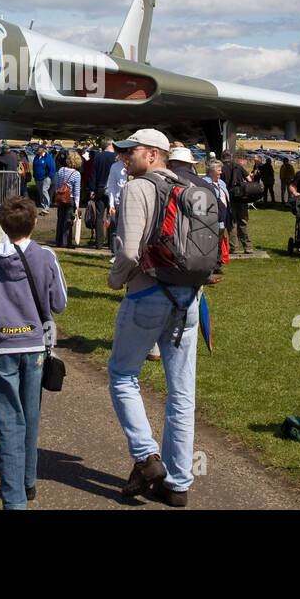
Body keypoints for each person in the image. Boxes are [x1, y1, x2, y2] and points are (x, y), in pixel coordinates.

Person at [106, 128, 200, 507]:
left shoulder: (138, 188)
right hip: (189, 299)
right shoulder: (192, 190)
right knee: (181, 394)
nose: (124, 157)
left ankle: (147, 457)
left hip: (147, 292)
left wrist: (115, 281)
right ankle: (178, 484)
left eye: (132, 151)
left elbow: (129, 252)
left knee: (123, 374)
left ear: (153, 155)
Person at [0, 196, 67, 510]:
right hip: (35, 345)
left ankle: (14, 498)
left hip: (1, 346)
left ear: (1, 225)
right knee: (30, 415)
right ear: (35, 222)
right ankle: (28, 481)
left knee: (9, 422)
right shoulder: (46, 256)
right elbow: (60, 301)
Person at [220, 150, 253, 254]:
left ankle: (234, 247)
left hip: (229, 198)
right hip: (241, 198)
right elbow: (249, 180)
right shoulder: (238, 167)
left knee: (232, 223)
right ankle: (247, 246)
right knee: (243, 222)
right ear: (231, 157)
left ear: (222, 158)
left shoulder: (221, 168)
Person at [87, 141, 117, 249]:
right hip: (113, 189)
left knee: (99, 217)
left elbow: (93, 173)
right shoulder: (116, 157)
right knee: (111, 216)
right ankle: (111, 243)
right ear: (112, 145)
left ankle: (99, 243)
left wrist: (92, 190)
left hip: (100, 187)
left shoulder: (98, 156)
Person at [52, 151, 82, 248]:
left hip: (60, 197)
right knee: (68, 221)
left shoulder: (61, 170)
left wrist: (57, 193)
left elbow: (56, 184)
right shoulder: (76, 174)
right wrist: (77, 204)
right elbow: (76, 191)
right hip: (70, 198)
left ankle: (58, 240)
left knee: (60, 219)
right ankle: (66, 242)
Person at [32, 146, 56, 213]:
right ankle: (43, 206)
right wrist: (34, 175)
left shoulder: (48, 157)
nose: (37, 151)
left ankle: (46, 207)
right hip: (37, 177)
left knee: (44, 190)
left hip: (46, 177)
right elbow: (34, 166)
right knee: (40, 192)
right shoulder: (36, 157)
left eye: (39, 150)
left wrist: (50, 176)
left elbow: (52, 167)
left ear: (43, 150)